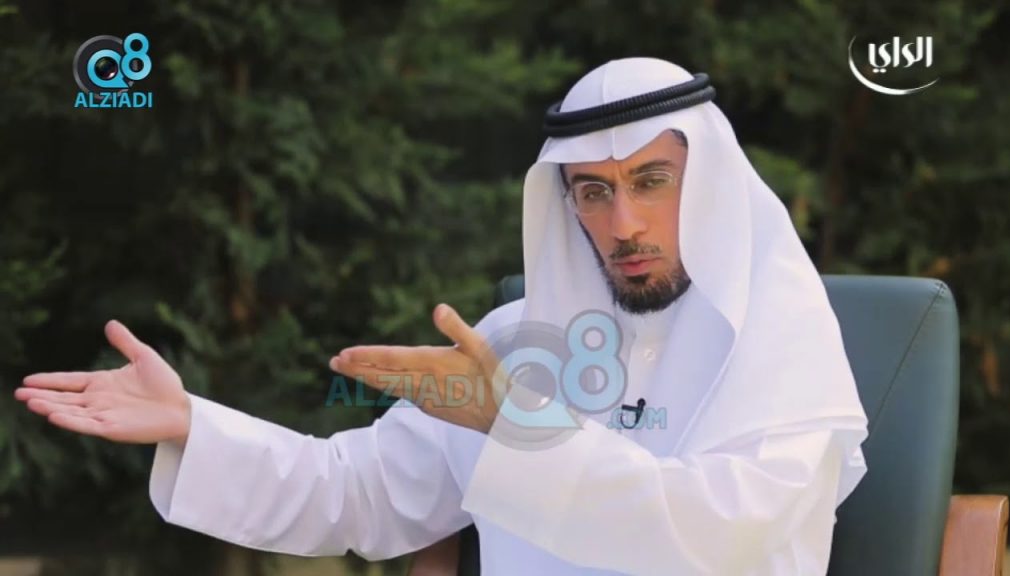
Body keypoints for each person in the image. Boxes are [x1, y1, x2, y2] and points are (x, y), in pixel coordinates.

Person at [14, 57, 869, 575]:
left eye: (653, 182)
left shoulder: (782, 345)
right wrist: (193, 423)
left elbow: (723, 540)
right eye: (593, 191)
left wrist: (519, 425)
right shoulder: (514, 347)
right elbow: (355, 494)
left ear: (711, 184)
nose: (624, 223)